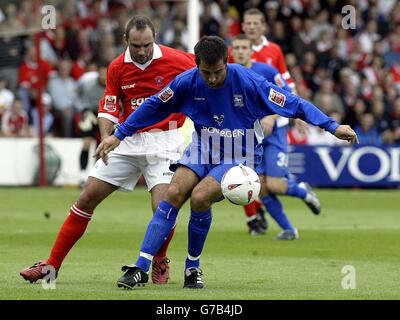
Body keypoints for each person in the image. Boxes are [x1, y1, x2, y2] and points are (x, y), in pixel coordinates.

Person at [95, 36, 358, 289]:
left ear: (226, 62)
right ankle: (141, 266)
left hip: (238, 156)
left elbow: (295, 104)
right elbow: (153, 105)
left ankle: (192, 268)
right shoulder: (186, 82)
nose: (211, 78)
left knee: (199, 197)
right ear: (196, 64)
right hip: (201, 149)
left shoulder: (250, 82)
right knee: (174, 192)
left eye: (218, 72)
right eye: (206, 72)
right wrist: (119, 134)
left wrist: (332, 126)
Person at [19, 16, 196, 285]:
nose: (142, 51)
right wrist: (104, 137)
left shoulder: (179, 60)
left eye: (147, 44)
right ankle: (51, 266)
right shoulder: (117, 67)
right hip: (126, 141)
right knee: (86, 198)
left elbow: (211, 71)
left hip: (165, 142)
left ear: (155, 37)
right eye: (136, 45)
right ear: (126, 41)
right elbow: (109, 107)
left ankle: (160, 258)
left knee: (163, 206)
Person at [230, 34, 322, 240]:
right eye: (236, 48)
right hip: (251, 138)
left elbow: (287, 97)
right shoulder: (228, 75)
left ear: (250, 50)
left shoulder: (267, 71)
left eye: (244, 47)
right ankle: (289, 230)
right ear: (232, 51)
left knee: (275, 184)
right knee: (259, 188)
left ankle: (303, 191)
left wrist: (272, 116)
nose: (240, 51)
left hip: (275, 132)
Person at [75, 65, 107, 187]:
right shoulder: (87, 81)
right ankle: (82, 176)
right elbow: (77, 92)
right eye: (102, 72)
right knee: (87, 142)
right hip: (89, 112)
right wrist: (83, 108)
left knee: (102, 145)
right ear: (98, 72)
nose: (104, 76)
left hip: (104, 114)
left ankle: (95, 176)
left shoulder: (113, 82)